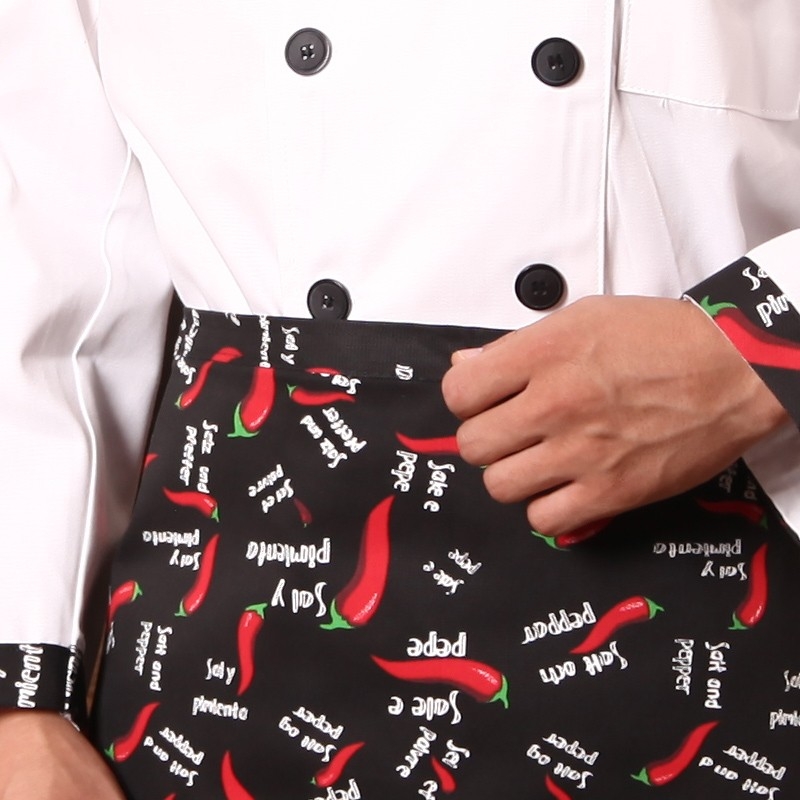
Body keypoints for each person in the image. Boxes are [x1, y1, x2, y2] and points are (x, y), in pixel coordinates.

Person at [1, 2, 799, 798]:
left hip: (720, 549)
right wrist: (19, 704)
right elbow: (52, 256)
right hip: (257, 603)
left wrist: (757, 349)